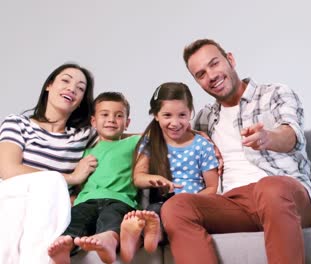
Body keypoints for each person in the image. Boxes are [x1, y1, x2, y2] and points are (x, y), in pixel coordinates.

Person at [159, 39, 311, 264]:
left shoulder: (274, 93)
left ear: (230, 59)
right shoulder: (204, 118)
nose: (211, 76)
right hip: (234, 203)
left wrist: (268, 138)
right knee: (175, 207)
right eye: (201, 74)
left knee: (270, 188)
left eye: (214, 64)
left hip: (285, 195)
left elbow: (292, 136)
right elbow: (168, 138)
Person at [0, 63, 97, 264]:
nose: (72, 88)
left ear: (80, 102)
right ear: (49, 86)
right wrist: (70, 178)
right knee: (50, 183)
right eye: (65, 80)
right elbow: (7, 169)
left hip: (48, 209)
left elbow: (125, 141)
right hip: (10, 196)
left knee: (50, 191)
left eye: (80, 88)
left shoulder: (83, 135)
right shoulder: (18, 123)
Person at [119, 82, 219, 263]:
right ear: (156, 115)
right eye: (167, 115)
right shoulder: (151, 142)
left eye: (182, 115)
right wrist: (154, 179)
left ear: (191, 113)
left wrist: (190, 200)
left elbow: (212, 187)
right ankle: (140, 235)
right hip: (163, 204)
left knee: (167, 214)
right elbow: (138, 178)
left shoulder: (202, 145)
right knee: (153, 211)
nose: (175, 122)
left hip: (193, 206)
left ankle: (151, 235)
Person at [47, 92, 141, 264]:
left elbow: (159, 135)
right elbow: (80, 181)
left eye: (119, 116)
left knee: (112, 218)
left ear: (127, 123)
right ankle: (66, 247)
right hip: (86, 201)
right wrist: (73, 196)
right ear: (93, 122)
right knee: (76, 220)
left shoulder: (133, 142)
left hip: (119, 199)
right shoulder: (85, 151)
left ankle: (108, 240)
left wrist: (192, 132)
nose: (111, 119)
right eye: (104, 115)